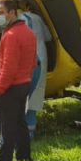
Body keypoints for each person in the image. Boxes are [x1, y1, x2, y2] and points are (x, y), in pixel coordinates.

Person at [0, 0, 37, 161]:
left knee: (7, 127)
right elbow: (34, 62)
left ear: (12, 13)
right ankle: (24, 156)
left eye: (1, 13)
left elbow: (8, 67)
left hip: (10, 86)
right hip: (24, 83)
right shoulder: (27, 32)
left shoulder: (10, 36)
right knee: (20, 122)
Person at [20, 9, 52, 138]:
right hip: (42, 56)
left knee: (23, 95)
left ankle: (22, 132)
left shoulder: (20, 19)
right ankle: (30, 131)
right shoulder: (38, 18)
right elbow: (48, 37)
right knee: (35, 93)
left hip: (28, 60)